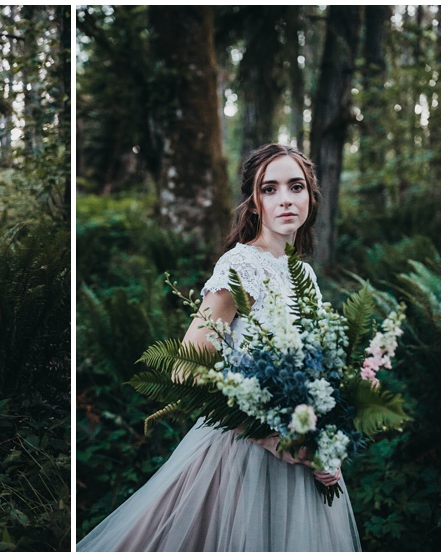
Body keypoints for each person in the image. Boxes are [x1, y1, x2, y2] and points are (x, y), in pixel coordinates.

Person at [77, 144, 361, 551]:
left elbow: (317, 374)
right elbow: (186, 369)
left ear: (311, 198)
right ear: (254, 202)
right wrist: (268, 436)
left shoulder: (307, 276)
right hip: (242, 456)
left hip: (303, 463)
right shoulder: (240, 266)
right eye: (270, 189)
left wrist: (328, 443)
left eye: (296, 187)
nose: (285, 199)